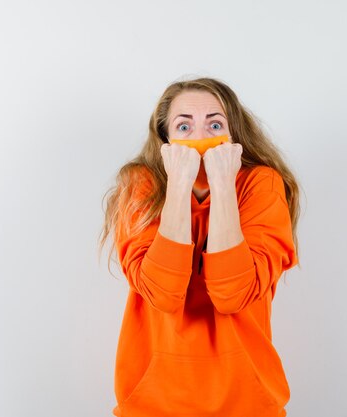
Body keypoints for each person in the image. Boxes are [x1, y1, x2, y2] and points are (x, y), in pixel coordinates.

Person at [98, 76, 302, 417]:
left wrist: (223, 184)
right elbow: (163, 293)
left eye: (215, 125)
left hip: (247, 403)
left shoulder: (262, 185)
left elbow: (232, 294)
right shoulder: (140, 186)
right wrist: (178, 186)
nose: (200, 138)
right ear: (166, 140)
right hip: (153, 405)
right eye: (184, 127)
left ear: (234, 134)